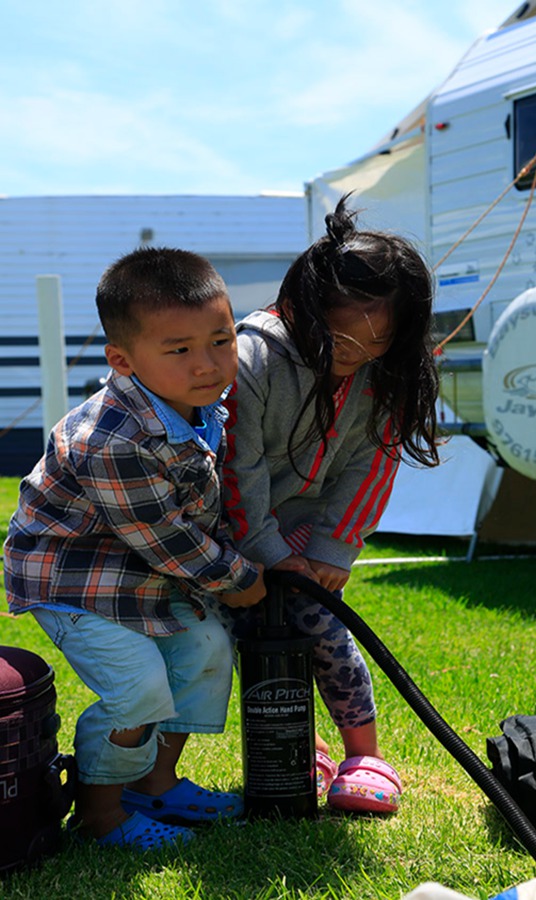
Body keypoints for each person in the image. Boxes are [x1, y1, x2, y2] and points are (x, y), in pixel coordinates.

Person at [3, 247, 266, 850]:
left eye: (222, 340)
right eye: (179, 349)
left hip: (140, 574)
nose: (208, 364)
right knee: (139, 685)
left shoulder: (200, 407)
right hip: (71, 580)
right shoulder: (113, 439)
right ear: (122, 360)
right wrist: (237, 576)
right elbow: (167, 539)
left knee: (207, 647)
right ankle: (100, 813)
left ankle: (154, 782)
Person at [217, 196, 440, 814]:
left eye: (375, 348)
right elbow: (240, 468)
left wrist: (334, 547)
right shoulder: (254, 358)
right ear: (303, 309)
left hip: (309, 531)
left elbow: (373, 464)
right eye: (341, 345)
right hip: (242, 529)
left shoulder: (383, 374)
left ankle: (363, 755)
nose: (355, 360)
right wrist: (263, 553)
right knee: (252, 637)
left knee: (324, 629)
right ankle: (301, 745)